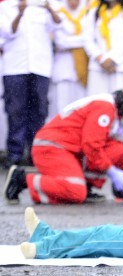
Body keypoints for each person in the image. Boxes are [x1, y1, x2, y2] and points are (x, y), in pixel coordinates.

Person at [3, 85, 123, 205]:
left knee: (115, 150)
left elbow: (121, 151)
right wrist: (111, 171)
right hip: (51, 148)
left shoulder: (116, 116)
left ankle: (84, 185)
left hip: (67, 149)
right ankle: (23, 179)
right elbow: (91, 146)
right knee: (75, 192)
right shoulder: (105, 108)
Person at [0, 0, 61, 168]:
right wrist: (20, 13)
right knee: (15, 110)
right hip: (15, 67)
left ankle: (36, 153)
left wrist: (49, 8)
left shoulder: (45, 4)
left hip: (40, 66)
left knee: (39, 111)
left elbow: (60, 25)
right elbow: (7, 32)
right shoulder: (6, 6)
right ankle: (15, 154)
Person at [84, 0, 123, 154]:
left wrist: (113, 59)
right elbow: (87, 39)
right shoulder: (94, 12)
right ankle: (99, 146)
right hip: (100, 68)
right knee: (100, 107)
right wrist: (101, 58)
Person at [48, 0, 89, 119]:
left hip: (82, 71)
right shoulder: (58, 12)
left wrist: (74, 40)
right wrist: (82, 41)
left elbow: (89, 38)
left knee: (81, 109)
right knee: (62, 110)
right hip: (62, 69)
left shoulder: (87, 12)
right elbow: (60, 42)